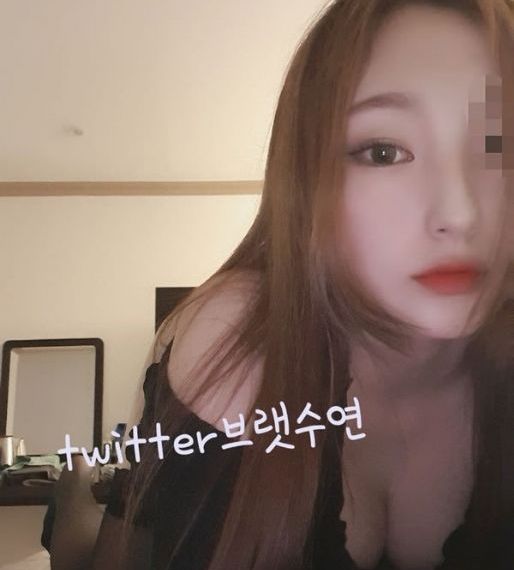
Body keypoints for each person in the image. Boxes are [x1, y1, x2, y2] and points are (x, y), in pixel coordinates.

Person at [44, 1, 514, 569]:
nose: (460, 214)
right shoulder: (239, 334)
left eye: (500, 145)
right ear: (308, 182)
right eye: (384, 152)